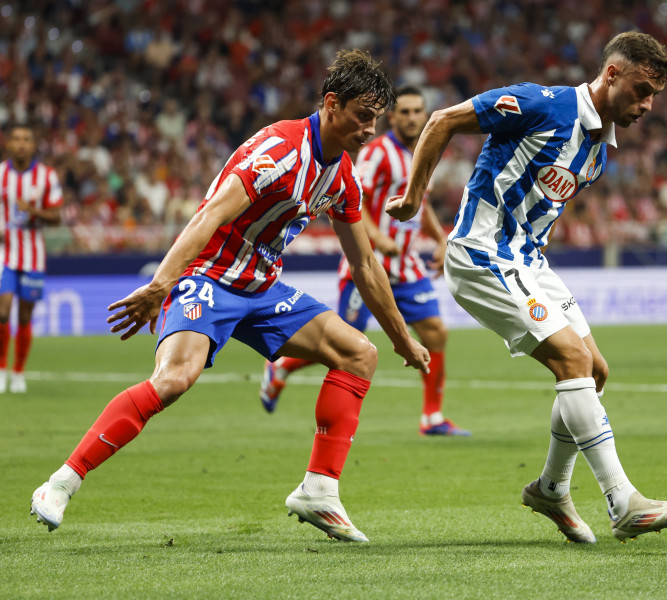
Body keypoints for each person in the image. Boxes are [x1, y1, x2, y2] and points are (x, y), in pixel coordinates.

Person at [29, 50, 430, 543]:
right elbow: (209, 216)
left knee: (357, 354)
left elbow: (366, 264)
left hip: (261, 287)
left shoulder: (342, 176)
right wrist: (161, 284)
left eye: (376, 120)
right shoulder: (279, 151)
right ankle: (61, 483)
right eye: (363, 117)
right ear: (331, 104)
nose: (370, 130)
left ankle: (319, 491)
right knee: (175, 379)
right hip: (209, 277)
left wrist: (401, 339)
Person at [386, 31, 667, 543]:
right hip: (481, 252)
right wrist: (416, 196)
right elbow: (443, 121)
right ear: (611, 74)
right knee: (572, 361)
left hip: (529, 261)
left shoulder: (596, 151)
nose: (647, 105)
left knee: (594, 370)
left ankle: (551, 488)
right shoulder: (540, 103)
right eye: (641, 90)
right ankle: (623, 500)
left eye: (655, 96)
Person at [259, 86, 469, 436]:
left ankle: (432, 417)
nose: (413, 117)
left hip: (406, 265)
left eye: (418, 111)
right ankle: (282, 367)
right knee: (348, 339)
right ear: (393, 116)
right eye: (405, 111)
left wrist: (441, 238)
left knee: (435, 332)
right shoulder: (377, 153)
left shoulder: (421, 152)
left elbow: (422, 202)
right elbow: (353, 198)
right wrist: (377, 237)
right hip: (369, 264)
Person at [0, 123, 63, 393]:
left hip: (33, 256)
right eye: (17, 139)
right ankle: (2, 369)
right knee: (3, 312)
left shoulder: (47, 176)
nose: (21, 144)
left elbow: (57, 216)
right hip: (5, 254)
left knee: (25, 317)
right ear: (9, 144)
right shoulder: (1, 174)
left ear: (33, 145)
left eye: (26, 139)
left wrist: (33, 211)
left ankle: (18, 373)